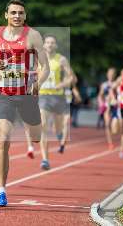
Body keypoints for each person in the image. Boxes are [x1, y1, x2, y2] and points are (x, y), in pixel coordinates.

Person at [0, 0, 50, 206]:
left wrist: (37, 83)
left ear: (25, 16)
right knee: (3, 138)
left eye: (20, 13)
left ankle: (35, 138)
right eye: (13, 13)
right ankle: (1, 191)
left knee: (36, 137)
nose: (17, 16)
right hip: (4, 95)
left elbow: (45, 67)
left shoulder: (33, 36)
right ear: (6, 15)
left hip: (27, 95)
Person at [38, 35, 73, 169]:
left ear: (56, 46)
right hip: (44, 97)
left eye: (52, 43)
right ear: (44, 45)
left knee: (58, 127)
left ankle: (59, 134)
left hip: (58, 97)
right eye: (47, 42)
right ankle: (45, 159)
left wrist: (62, 84)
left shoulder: (61, 59)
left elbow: (71, 77)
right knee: (43, 126)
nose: (50, 45)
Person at [97, 67, 117, 150]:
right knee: (107, 124)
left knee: (115, 128)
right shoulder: (104, 85)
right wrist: (101, 103)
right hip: (107, 106)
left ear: (115, 75)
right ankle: (110, 143)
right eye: (109, 74)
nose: (111, 75)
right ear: (107, 74)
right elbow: (100, 95)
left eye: (112, 74)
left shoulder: (117, 83)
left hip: (116, 106)